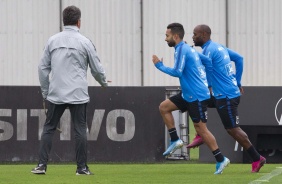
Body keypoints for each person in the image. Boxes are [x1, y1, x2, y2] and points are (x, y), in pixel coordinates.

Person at [32, 5, 108, 175]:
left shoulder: (52, 40)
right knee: (80, 129)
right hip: (78, 93)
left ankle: (41, 166)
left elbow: (42, 68)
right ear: (79, 22)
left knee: (49, 127)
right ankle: (81, 168)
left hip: (56, 93)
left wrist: (45, 92)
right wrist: (103, 82)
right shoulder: (85, 42)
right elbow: (96, 68)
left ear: (63, 21)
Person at [152, 23, 229, 174]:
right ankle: (175, 140)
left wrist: (159, 65)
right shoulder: (187, 49)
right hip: (188, 94)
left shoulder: (182, 49)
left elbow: (178, 72)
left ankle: (221, 159)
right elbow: (207, 62)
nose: (165, 39)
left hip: (197, 96)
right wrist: (208, 82)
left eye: (167, 36)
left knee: (201, 129)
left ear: (175, 36)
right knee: (164, 107)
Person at [189, 24, 266, 173]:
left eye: (195, 34)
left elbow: (209, 68)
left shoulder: (209, 50)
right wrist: (237, 82)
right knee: (198, 100)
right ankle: (200, 133)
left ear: (204, 35)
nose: (193, 36)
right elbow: (239, 58)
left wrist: (210, 85)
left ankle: (257, 158)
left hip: (225, 96)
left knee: (233, 130)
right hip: (225, 93)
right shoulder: (219, 47)